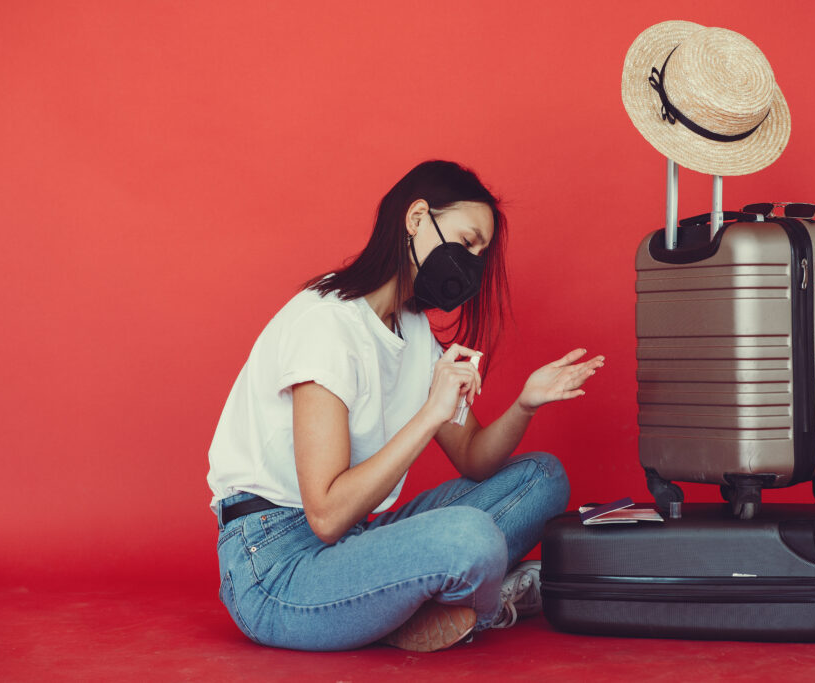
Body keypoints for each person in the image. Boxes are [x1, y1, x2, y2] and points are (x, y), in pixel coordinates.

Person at [207, 160, 605, 652]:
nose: (472, 263)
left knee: (542, 477)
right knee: (469, 538)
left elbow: (476, 459)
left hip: (354, 538)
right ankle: (475, 603)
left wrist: (526, 403)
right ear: (417, 219)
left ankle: (419, 603)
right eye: (467, 240)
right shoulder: (327, 325)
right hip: (275, 567)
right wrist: (431, 413)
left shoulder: (412, 329)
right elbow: (326, 515)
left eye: (480, 253)